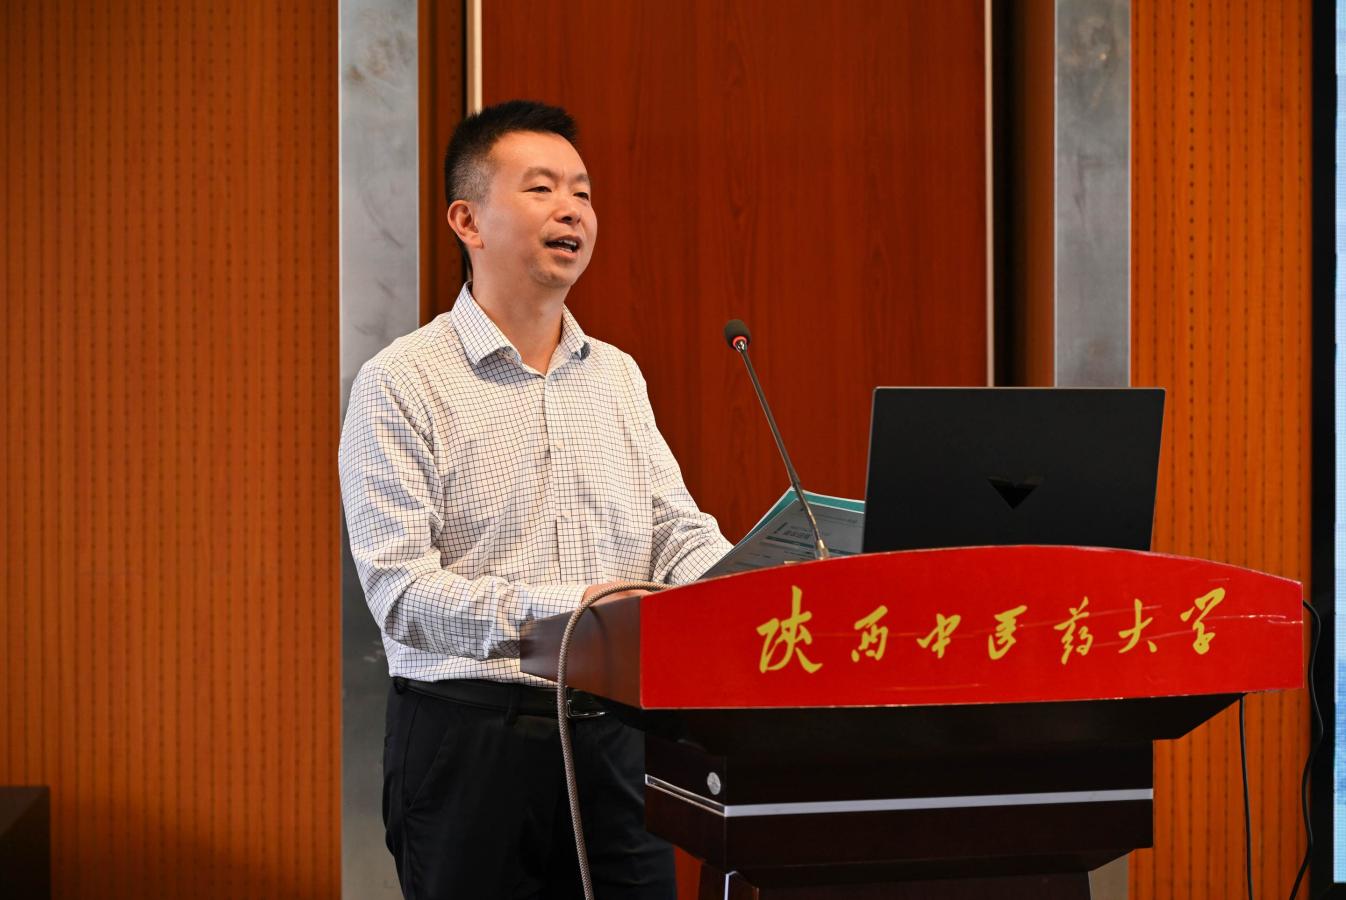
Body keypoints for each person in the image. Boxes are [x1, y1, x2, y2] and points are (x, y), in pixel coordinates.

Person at [338, 99, 732, 899]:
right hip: (470, 746)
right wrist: (568, 617)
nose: (572, 210)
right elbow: (400, 592)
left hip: (618, 740)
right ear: (467, 221)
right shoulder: (402, 382)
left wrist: (747, 585)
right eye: (542, 188)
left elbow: (671, 528)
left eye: (583, 192)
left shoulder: (616, 374)